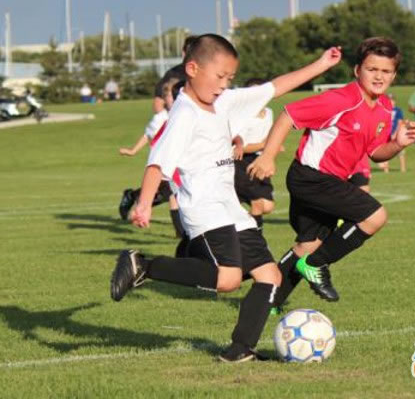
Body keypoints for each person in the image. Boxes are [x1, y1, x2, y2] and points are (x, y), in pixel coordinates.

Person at [109, 34, 342, 362]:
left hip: (231, 208)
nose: (224, 84)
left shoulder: (225, 101)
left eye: (229, 78)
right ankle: (143, 266)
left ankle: (240, 349)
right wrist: (145, 204)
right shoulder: (185, 114)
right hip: (203, 209)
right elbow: (158, 163)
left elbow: (275, 87)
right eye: (219, 76)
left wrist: (320, 64)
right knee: (229, 279)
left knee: (270, 276)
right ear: (193, 69)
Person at [247, 37, 415, 308]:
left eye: (386, 71)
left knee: (308, 245)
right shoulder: (340, 99)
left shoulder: (385, 107)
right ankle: (316, 265)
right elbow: (288, 115)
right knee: (375, 216)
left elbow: (375, 152)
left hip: (327, 181)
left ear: (394, 75)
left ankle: (265, 305)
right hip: (311, 178)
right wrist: (268, 156)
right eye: (372, 69)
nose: (379, 76)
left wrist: (398, 144)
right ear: (357, 70)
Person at [117, 78, 185, 241]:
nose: (173, 98)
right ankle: (181, 233)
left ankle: (133, 196)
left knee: (167, 195)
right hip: (163, 165)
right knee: (172, 197)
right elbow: (148, 135)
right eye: (169, 96)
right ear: (164, 99)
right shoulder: (161, 118)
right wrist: (133, 150)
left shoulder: (184, 114)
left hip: (179, 164)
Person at [233, 78, 275, 228]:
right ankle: (255, 236)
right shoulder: (242, 117)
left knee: (268, 206)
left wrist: (270, 155)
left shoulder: (269, 112)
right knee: (257, 202)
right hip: (241, 162)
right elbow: (237, 148)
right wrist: (264, 145)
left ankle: (238, 226)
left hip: (259, 160)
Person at [153, 35, 198, 113]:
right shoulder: (172, 74)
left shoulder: (207, 73)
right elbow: (158, 103)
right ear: (183, 53)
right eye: (190, 52)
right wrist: (165, 118)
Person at [378, 93, 406, 173]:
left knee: (400, 150)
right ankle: (386, 170)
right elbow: (381, 122)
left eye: (392, 100)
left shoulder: (398, 110)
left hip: (395, 133)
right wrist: (379, 133)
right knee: (386, 151)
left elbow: (400, 122)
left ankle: (403, 169)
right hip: (386, 134)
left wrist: (396, 133)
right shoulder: (383, 110)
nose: (391, 102)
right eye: (389, 100)